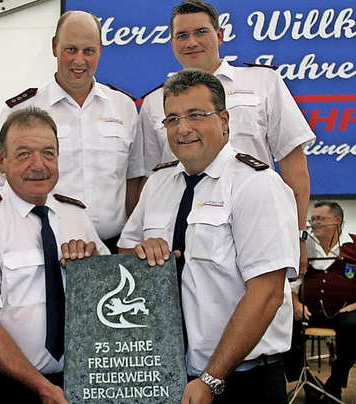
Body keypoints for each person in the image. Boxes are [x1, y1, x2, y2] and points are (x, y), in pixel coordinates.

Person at [119, 69, 298, 402]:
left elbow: (267, 294)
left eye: (196, 115)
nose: (183, 129)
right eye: (172, 119)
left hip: (241, 382)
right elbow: (125, 256)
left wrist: (211, 379)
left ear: (225, 120)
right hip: (166, 375)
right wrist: (143, 251)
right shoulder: (158, 184)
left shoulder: (257, 185)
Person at [139, 0, 315, 274]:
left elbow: (294, 165)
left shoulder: (263, 83)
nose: (192, 42)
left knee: (262, 306)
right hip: (187, 239)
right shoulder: (153, 102)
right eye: (182, 36)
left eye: (201, 32)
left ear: (219, 35)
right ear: (172, 43)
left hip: (259, 226)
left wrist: (298, 235)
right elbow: (152, 179)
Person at [0, 106, 109, 403]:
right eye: (24, 154)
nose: (39, 165)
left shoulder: (76, 216)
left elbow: (108, 297)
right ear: (1, 161)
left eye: (48, 153)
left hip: (77, 381)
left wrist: (94, 268)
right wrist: (42, 387)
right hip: (2, 387)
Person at [0, 10, 145, 252]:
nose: (79, 61)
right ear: (55, 46)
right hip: (43, 247)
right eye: (71, 49)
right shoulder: (22, 110)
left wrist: (129, 240)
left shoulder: (124, 107)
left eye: (89, 51)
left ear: (100, 50)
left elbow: (133, 181)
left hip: (111, 247)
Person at [289, 201, 356, 401]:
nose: (314, 223)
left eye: (320, 219)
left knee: (354, 326)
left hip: (346, 313)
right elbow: (293, 284)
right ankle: (309, 382)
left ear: (337, 221)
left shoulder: (353, 246)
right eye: (312, 219)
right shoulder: (305, 247)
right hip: (309, 313)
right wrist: (295, 303)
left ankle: (335, 384)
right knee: (279, 325)